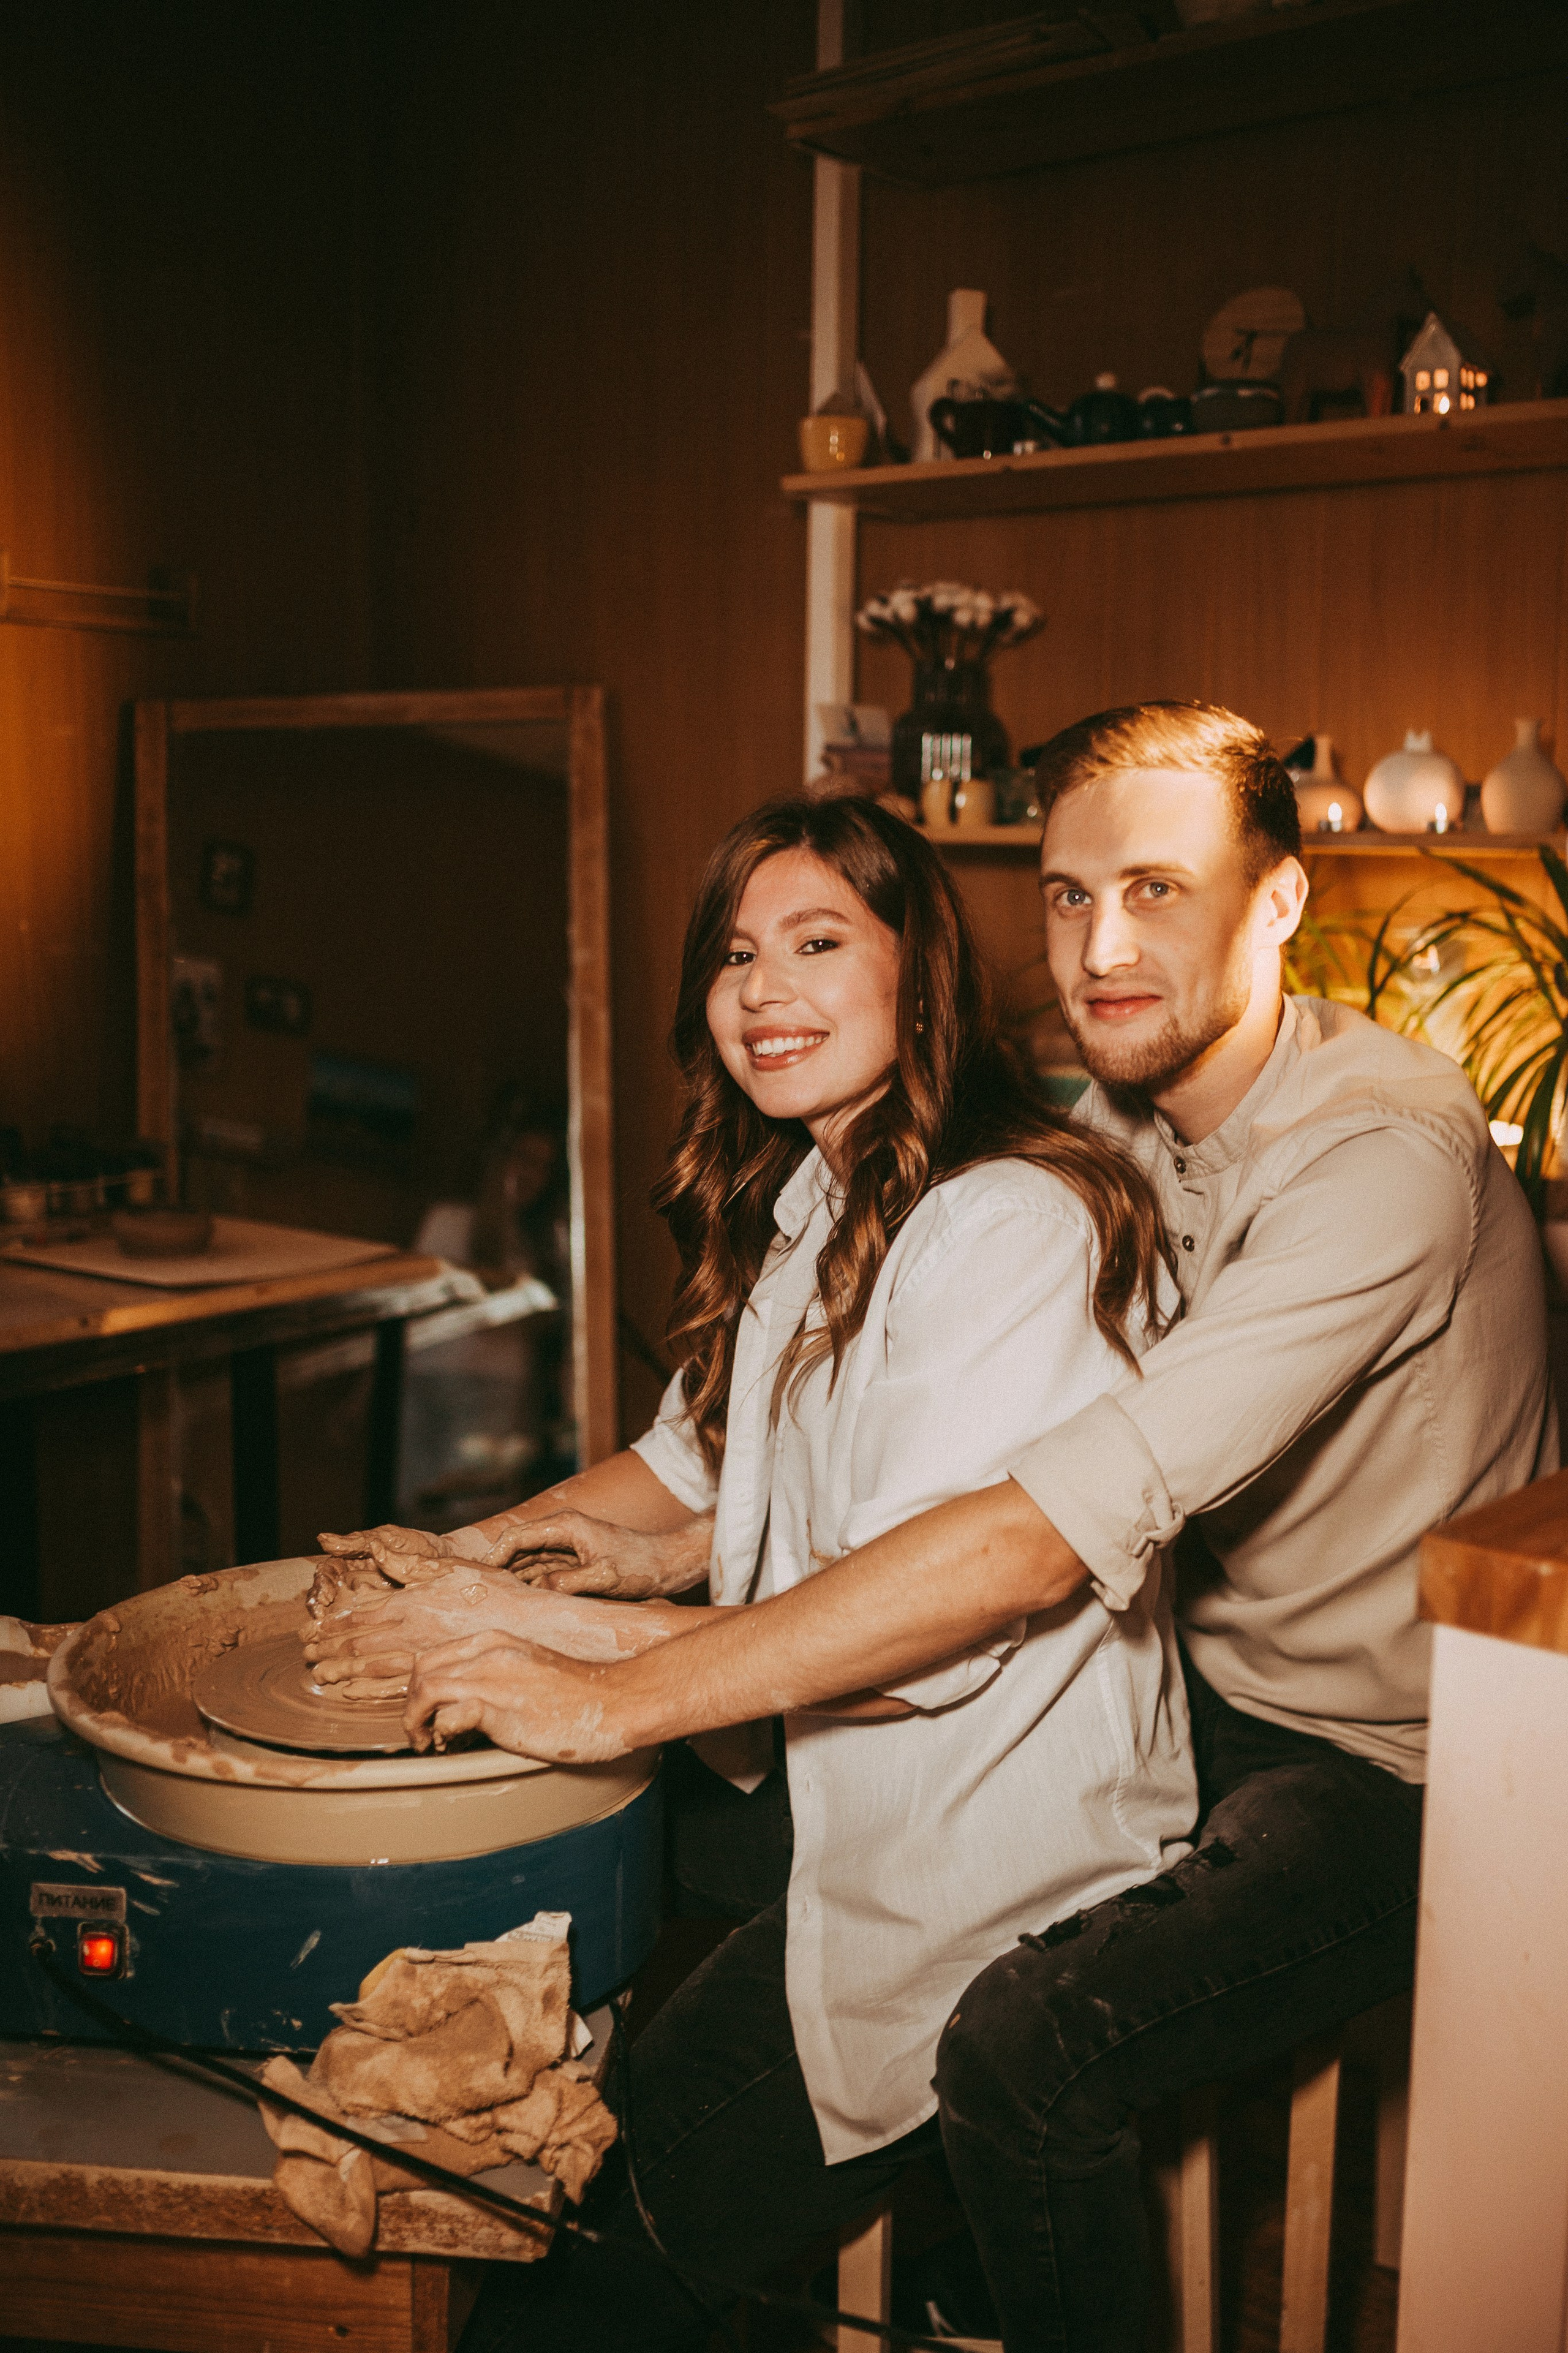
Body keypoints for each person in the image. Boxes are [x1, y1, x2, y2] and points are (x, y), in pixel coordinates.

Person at [323, 702, 1552, 2349]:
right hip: (1178, 1682)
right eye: (1064, 892)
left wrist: (611, 1677)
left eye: (1158, 891)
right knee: (629, 1839)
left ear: (1276, 903)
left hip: (1377, 1755)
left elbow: (1042, 1527)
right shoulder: (1112, 1119)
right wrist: (533, 1565)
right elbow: (770, 1447)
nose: (1102, 945)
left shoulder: (1378, 1164)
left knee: (1024, 2048)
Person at [312, 790, 1197, 2347]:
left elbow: (936, 1609)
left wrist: (594, 1673)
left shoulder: (1007, 1221)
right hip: (809, 1780)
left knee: (577, 2255)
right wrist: (450, 1565)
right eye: (734, 953)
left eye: (812, 942)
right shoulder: (819, 1192)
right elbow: (702, 1455)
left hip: (978, 1855)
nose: (759, 990)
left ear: (917, 973)